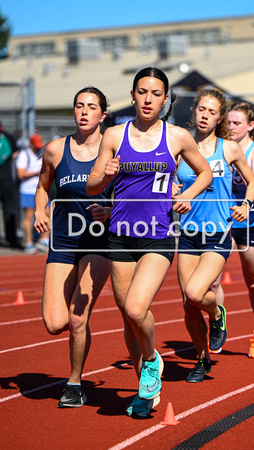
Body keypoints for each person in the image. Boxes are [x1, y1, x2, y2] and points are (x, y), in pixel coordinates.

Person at [86, 67, 213, 417]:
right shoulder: (114, 135)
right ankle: (145, 391)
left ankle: (152, 359)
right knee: (128, 319)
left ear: (165, 99)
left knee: (136, 309)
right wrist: (105, 175)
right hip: (120, 237)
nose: (148, 99)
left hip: (156, 237)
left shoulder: (176, 137)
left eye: (156, 93)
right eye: (142, 92)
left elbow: (205, 172)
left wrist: (186, 194)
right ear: (132, 95)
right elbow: (93, 187)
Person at [34, 86, 114, 408]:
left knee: (77, 318)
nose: (84, 112)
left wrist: (109, 211)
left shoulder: (115, 153)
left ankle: (74, 382)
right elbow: (42, 187)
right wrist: (41, 210)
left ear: (102, 115)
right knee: (56, 323)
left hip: (99, 240)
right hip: (64, 240)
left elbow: (128, 198)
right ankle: (79, 336)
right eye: (79, 106)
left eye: (91, 107)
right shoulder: (55, 149)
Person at [174, 90, 254, 382]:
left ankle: (218, 314)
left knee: (197, 293)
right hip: (187, 233)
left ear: (219, 117)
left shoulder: (229, 148)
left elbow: (252, 181)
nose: (205, 115)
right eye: (201, 109)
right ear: (194, 111)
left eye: (211, 111)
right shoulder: (181, 146)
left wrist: (246, 205)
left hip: (217, 233)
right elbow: (169, 182)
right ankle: (201, 359)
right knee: (188, 303)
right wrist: (173, 192)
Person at [213, 102, 254, 359]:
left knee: (253, 282)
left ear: (250, 126)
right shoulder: (220, 146)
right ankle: (218, 325)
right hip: (222, 221)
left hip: (250, 223)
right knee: (212, 280)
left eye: (237, 123)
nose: (232, 127)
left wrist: (237, 166)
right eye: (230, 122)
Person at [16, 133, 50, 254]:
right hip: (28, 190)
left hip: (42, 190)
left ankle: (44, 239)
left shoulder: (40, 153)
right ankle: (29, 243)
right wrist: (36, 172)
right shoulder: (24, 155)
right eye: (35, 145)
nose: (37, 147)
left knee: (48, 213)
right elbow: (20, 173)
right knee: (29, 217)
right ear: (30, 144)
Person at [0, 122, 23, 249]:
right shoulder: (8, 137)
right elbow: (15, 153)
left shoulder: (8, 137)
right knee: (9, 210)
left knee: (9, 210)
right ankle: (12, 239)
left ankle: (11, 238)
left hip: (7, 180)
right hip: (7, 179)